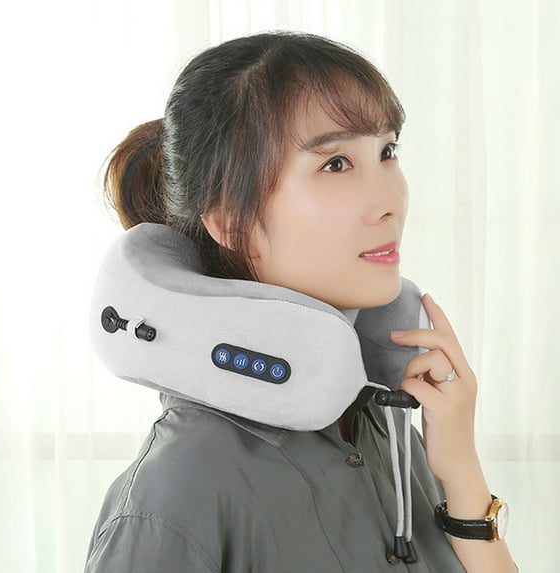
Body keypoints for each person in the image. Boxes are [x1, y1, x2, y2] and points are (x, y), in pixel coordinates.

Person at [84, 32, 516, 572]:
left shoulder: (385, 426)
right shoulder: (175, 493)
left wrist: (462, 472)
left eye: (387, 152)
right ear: (231, 221)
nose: (390, 200)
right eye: (335, 164)